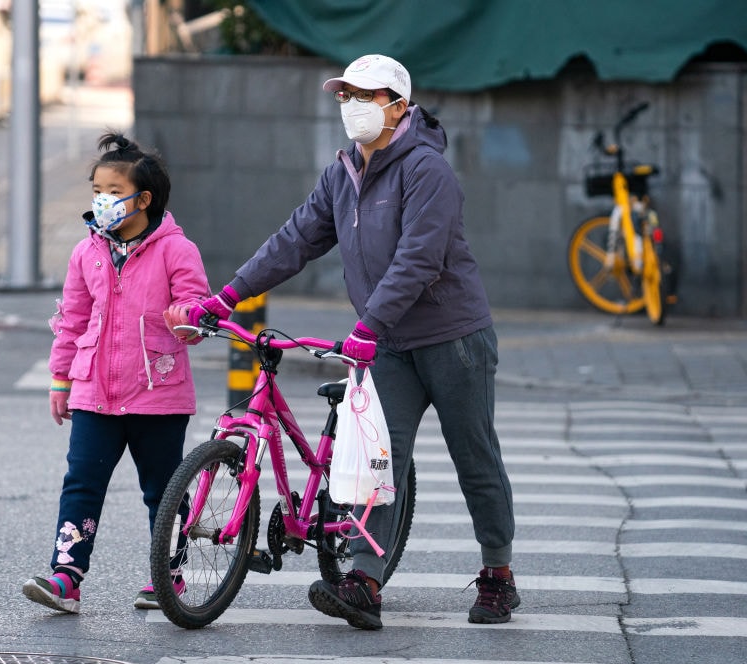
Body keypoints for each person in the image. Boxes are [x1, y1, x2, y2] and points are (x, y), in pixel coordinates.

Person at [187, 54, 518, 629]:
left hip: (451, 336)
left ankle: (498, 575)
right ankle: (363, 581)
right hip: (385, 345)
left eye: (364, 95)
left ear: (397, 105)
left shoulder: (426, 171)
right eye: (345, 95)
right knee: (376, 462)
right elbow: (296, 238)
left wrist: (368, 325)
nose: (352, 106)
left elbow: (420, 258)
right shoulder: (342, 172)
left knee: (476, 459)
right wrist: (229, 295)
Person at [23, 132, 210, 614]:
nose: (101, 201)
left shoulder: (176, 249)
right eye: (97, 191)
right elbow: (71, 319)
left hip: (158, 395)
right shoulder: (86, 252)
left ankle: (167, 577)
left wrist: (189, 319)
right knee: (81, 483)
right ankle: (66, 578)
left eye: (112, 192)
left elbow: (195, 302)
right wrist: (61, 378)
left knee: (164, 489)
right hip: (94, 395)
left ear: (143, 200)